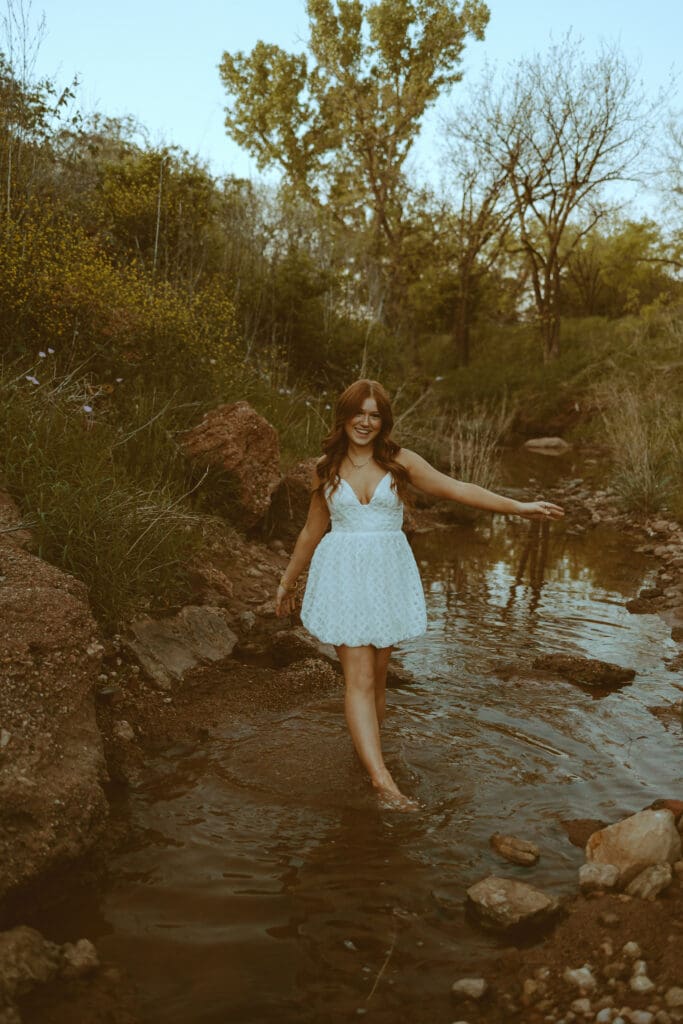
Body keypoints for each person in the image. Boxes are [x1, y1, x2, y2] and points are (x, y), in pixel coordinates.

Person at [275, 380, 563, 810]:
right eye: (359, 413)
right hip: (343, 576)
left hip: (386, 576)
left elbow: (458, 488)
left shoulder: (400, 463)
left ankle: (366, 757)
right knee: (359, 678)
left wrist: (518, 507)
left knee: (377, 682)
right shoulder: (326, 467)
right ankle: (383, 782)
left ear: (383, 420)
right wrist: (286, 581)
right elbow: (312, 530)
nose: (366, 422)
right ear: (345, 415)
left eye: (375, 415)